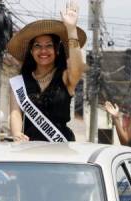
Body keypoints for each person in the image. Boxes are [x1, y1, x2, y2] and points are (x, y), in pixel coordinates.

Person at [8, 0, 87, 142]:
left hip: (62, 148)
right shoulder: (19, 83)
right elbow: (15, 113)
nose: (43, 50)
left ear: (57, 50)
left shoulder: (65, 77)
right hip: (30, 149)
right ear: (31, 51)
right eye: (37, 46)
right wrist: (16, 134)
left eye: (49, 45)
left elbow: (78, 67)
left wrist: (71, 29)